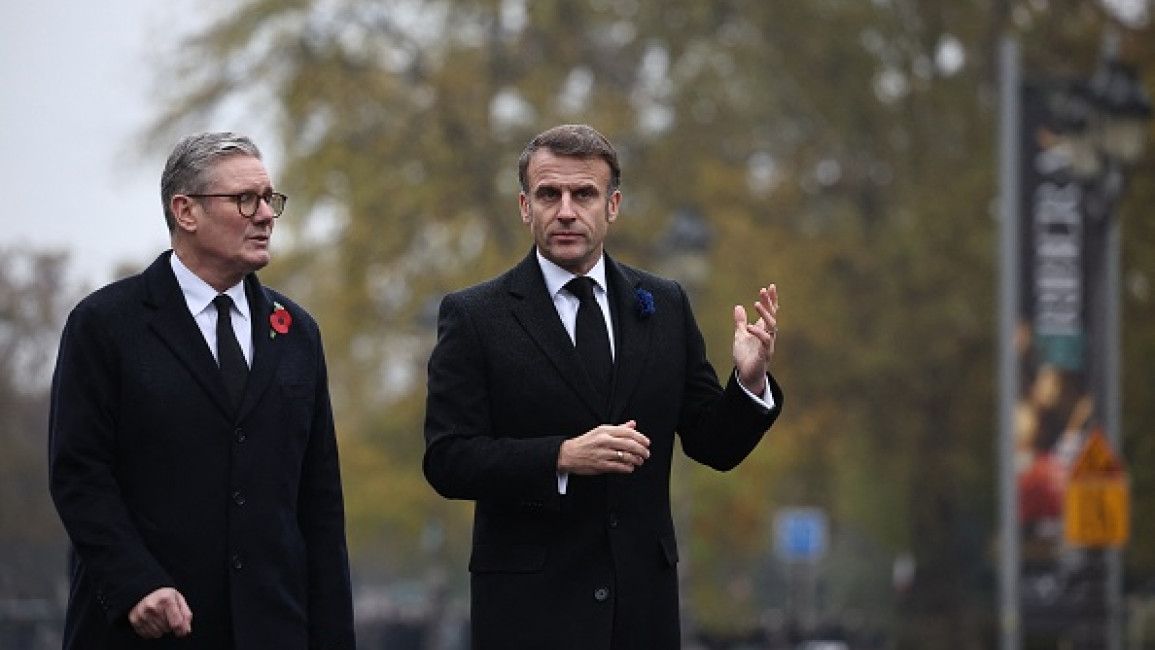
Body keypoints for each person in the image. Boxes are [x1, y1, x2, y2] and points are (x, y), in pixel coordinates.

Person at [422, 123, 784, 649]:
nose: (566, 210)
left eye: (584, 194)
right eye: (549, 194)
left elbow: (714, 444)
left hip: (642, 614)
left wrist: (749, 383)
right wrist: (561, 456)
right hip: (529, 617)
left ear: (612, 206)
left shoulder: (665, 305)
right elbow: (448, 458)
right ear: (525, 207)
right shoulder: (476, 316)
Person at [48, 132, 356, 649]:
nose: (265, 215)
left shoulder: (297, 331)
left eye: (268, 198)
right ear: (185, 211)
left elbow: (319, 505)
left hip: (272, 631)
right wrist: (135, 583)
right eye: (245, 200)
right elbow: (79, 475)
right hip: (146, 630)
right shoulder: (104, 326)